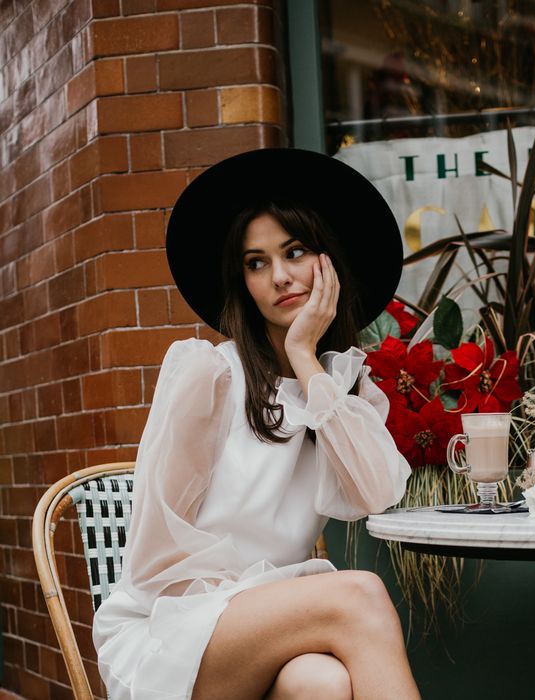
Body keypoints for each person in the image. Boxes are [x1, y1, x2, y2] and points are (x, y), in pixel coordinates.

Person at [91, 148, 420, 700]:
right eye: (257, 262)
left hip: (266, 626)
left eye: (294, 252)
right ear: (241, 280)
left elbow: (377, 495)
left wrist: (307, 359)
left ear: (327, 261)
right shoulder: (210, 377)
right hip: (168, 632)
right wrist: (269, 601)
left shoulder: (338, 388)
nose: (281, 277)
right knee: (358, 593)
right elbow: (155, 561)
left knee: (326, 684)